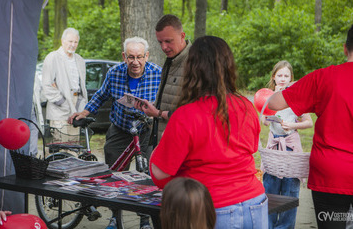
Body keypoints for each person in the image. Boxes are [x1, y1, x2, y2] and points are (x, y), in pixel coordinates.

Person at [150, 36, 268, 229]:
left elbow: (159, 172)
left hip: (213, 206)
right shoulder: (246, 106)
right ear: (228, 66)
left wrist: (161, 146)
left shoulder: (185, 115)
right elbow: (251, 147)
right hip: (255, 201)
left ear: (192, 69)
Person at [69, 36, 161, 229]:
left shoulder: (158, 74)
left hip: (145, 131)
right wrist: (84, 112)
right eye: (130, 57)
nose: (135, 62)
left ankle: (144, 220)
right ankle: (114, 216)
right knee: (114, 176)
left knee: (146, 178)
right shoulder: (114, 73)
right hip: (120, 129)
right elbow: (101, 96)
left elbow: (165, 102)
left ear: (147, 56)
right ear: (124, 56)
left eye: (139, 57)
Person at [268, 24, 353, 229]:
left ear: (345, 48)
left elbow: (274, 103)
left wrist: (288, 88)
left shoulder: (324, 77)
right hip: (331, 176)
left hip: (330, 174)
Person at [261, 60, 313, 229]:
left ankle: (285, 226)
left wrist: (292, 125)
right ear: (274, 77)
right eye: (280, 75)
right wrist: (271, 105)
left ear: (291, 78)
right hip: (274, 149)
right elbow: (265, 122)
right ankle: (269, 225)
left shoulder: (296, 96)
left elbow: (308, 122)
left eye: (286, 75)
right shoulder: (268, 96)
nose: (283, 79)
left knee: (290, 193)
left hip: (290, 148)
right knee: (271, 191)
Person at [135, 14, 191, 147]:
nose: (164, 47)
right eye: (160, 42)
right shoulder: (172, 59)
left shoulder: (194, 63)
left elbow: (193, 115)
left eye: (168, 41)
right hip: (163, 140)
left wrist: (158, 113)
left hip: (181, 143)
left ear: (182, 36)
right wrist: (152, 107)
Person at [42, 27, 87, 143]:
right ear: (63, 41)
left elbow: (82, 87)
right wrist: (63, 102)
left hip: (77, 105)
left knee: (74, 144)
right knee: (61, 145)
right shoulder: (53, 57)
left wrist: (80, 107)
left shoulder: (80, 60)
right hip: (59, 108)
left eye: (75, 42)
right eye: (70, 41)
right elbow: (47, 85)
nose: (73, 44)